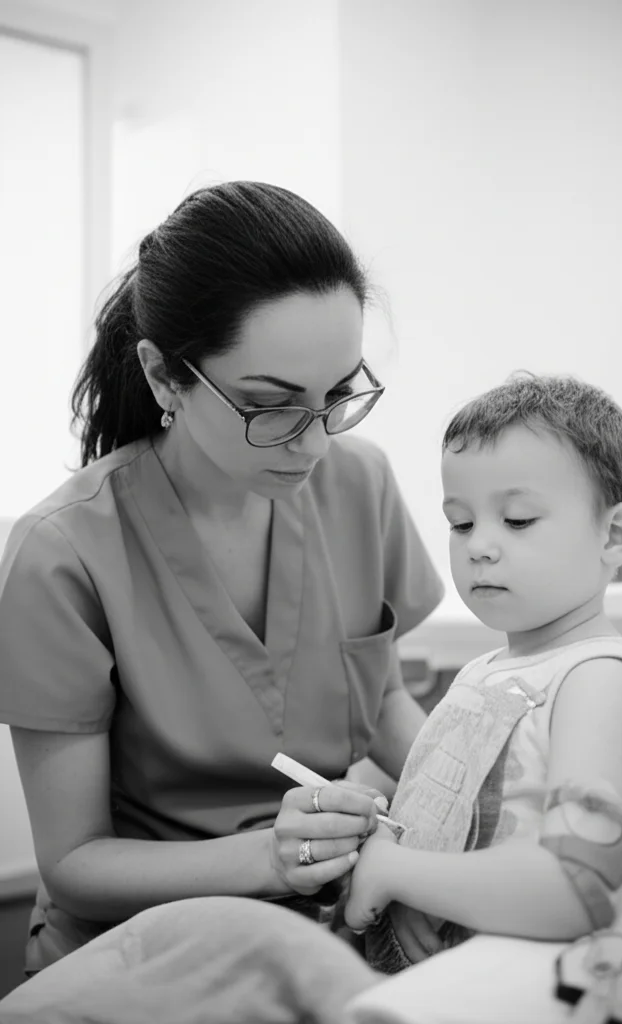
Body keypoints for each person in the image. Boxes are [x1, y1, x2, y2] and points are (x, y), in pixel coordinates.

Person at [0, 181, 445, 975]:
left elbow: (382, 703)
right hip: (139, 954)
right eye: (269, 406)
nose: (312, 445)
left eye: (338, 394)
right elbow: (75, 862)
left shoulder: (359, 482)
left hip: (330, 930)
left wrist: (479, 793)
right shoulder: (63, 553)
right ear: (165, 378)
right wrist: (266, 862)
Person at [342, 373, 622, 973]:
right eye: (461, 523)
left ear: (615, 534)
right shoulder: (486, 673)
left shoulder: (597, 682)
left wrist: (402, 873)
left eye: (517, 520)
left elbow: (581, 886)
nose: (480, 546)